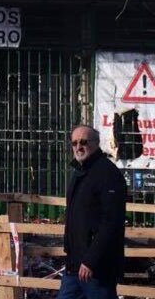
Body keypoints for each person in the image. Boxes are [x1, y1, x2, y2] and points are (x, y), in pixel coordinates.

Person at [60, 125, 127, 299]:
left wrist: (91, 260)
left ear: (96, 144)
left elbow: (111, 222)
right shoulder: (79, 172)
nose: (78, 147)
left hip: (97, 270)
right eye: (74, 143)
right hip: (74, 266)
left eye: (83, 142)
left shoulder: (107, 174)